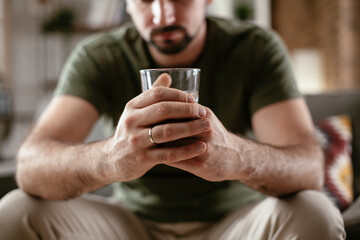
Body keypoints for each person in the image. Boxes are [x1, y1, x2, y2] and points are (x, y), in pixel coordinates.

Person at [0, 0, 345, 239]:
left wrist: (236, 159)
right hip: (130, 225)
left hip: (235, 224)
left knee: (316, 213)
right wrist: (109, 160)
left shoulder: (254, 49)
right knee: (13, 212)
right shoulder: (100, 56)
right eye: (146, 1)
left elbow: (309, 168)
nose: (163, 15)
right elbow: (31, 164)